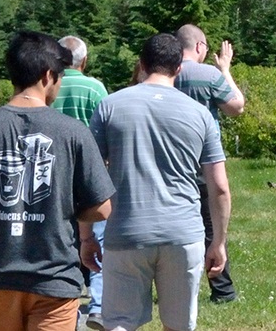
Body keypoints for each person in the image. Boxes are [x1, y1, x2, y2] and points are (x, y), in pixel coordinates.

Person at [0, 30, 114, 331]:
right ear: (47, 75)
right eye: (60, 77)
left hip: (0, 273)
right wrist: (65, 209)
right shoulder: (73, 132)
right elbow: (102, 208)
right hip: (55, 276)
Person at [87, 34, 229, 331]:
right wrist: (218, 242)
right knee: (178, 326)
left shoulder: (109, 106)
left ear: (141, 64)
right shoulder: (200, 114)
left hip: (126, 230)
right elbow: (219, 186)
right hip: (183, 233)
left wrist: (86, 237)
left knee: (120, 323)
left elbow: (91, 177)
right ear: (179, 68)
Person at [172, 24, 245, 304]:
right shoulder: (208, 74)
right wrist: (225, 68)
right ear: (200, 47)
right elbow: (236, 106)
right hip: (203, 162)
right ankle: (222, 290)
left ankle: (173, 286)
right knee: (210, 228)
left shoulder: (163, 74)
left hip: (169, 163)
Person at [53, 36, 110, 328]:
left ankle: (65, 302)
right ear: (84, 61)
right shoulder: (95, 88)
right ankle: (97, 306)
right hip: (89, 174)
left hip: (54, 175)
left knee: (62, 241)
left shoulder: (50, 86)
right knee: (97, 239)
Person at [55, 36, 108, 125]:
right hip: (87, 138)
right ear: (84, 61)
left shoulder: (46, 84)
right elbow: (106, 120)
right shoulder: (95, 88)